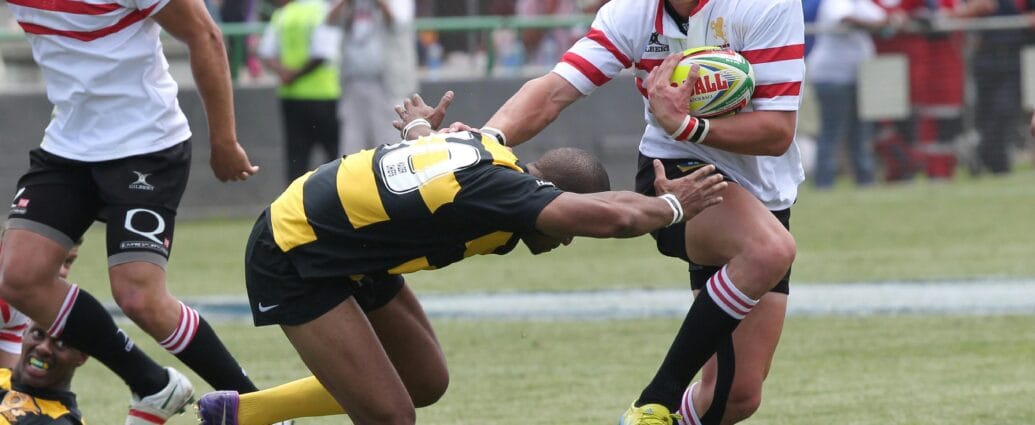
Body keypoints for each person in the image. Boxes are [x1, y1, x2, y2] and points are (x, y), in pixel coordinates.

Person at [192, 92, 730, 425]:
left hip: (350, 246)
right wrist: (673, 206)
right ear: (548, 190)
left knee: (425, 382)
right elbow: (610, 218)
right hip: (296, 248)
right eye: (565, 231)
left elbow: (431, 154)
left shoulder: (491, 153)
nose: (562, 241)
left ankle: (245, 414)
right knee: (392, 416)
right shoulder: (503, 193)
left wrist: (417, 128)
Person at [475, 0, 805, 423]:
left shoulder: (765, 6)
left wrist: (686, 124)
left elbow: (777, 133)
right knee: (769, 250)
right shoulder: (631, 12)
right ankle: (654, 402)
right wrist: (485, 141)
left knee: (737, 396)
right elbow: (554, 90)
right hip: (674, 174)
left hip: (764, 191)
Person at [0, 0, 263, 422]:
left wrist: (224, 141)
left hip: (147, 144)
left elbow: (206, 35)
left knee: (140, 297)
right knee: (19, 277)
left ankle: (258, 407)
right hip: (68, 144)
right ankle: (153, 384)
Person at [258, 0, 343, 183]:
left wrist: (284, 73)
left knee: (296, 158)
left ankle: (294, 207)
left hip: (291, 96)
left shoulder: (284, 14)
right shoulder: (323, 11)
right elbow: (323, 53)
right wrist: (296, 74)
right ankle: (333, 205)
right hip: (324, 94)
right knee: (333, 157)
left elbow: (265, 51)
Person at [806, 0, 889, 188]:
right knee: (831, 132)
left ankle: (865, 180)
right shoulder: (835, 2)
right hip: (832, 78)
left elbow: (884, 16)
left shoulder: (862, 3)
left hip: (859, 77)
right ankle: (824, 182)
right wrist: (878, 25)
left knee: (861, 132)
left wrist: (888, 20)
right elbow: (845, 19)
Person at [332, 0, 401, 154]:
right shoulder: (348, 7)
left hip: (382, 84)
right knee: (351, 143)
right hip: (351, 83)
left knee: (386, 141)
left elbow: (395, 23)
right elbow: (329, 21)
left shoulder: (383, 7)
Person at [0, 237, 80, 369]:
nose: (63, 272)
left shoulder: (23, 295)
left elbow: (8, 379)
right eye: (55, 259)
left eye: (68, 261)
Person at [0, 320, 89, 424]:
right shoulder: (3, 377)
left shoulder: (59, 420)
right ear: (25, 331)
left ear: (81, 357)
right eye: (38, 334)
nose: (43, 348)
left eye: (61, 344)